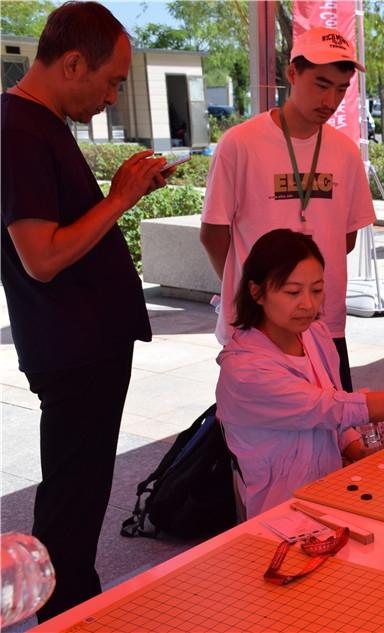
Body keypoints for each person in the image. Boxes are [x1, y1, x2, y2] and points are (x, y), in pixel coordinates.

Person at [0, 2, 165, 620]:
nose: (113, 94)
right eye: (112, 79)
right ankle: (66, 607)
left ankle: (72, 597)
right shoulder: (19, 128)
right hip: (72, 349)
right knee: (73, 494)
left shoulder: (37, 124)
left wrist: (124, 194)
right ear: (73, 62)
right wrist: (120, 198)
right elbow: (41, 257)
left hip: (83, 343)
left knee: (82, 489)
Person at [216, 229, 384, 518]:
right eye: (292, 292)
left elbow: (334, 403)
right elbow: (334, 408)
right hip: (279, 510)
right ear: (256, 292)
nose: (308, 304)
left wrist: (354, 448)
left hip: (329, 493)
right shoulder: (246, 371)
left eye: (317, 289)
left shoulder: (314, 335)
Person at [201, 26, 376, 392]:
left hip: (324, 323)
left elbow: (346, 239)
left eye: (341, 90)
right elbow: (214, 233)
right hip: (257, 325)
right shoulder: (240, 143)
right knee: (260, 436)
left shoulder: (345, 152)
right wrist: (249, 292)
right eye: (321, 84)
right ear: (292, 73)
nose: (330, 101)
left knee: (334, 429)